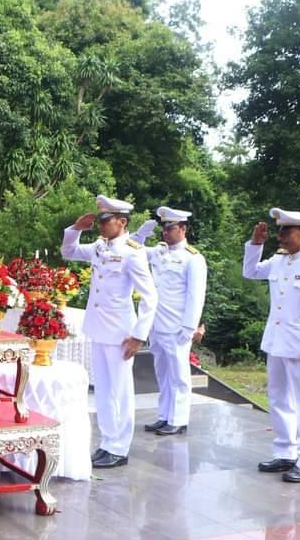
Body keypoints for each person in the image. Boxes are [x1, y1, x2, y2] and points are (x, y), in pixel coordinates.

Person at [62, 195, 158, 468]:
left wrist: (139, 335)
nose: (101, 225)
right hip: (98, 328)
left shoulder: (132, 251)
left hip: (121, 332)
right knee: (103, 389)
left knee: (120, 390)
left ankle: (119, 447)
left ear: (122, 222)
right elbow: (68, 252)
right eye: (100, 220)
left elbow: (150, 296)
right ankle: (107, 442)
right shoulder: (98, 247)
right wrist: (76, 229)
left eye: (106, 220)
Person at [242, 208, 300, 483]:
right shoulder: (279, 260)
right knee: (278, 398)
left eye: (287, 231)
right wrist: (256, 244)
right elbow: (250, 272)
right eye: (280, 231)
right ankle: (285, 452)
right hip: (277, 342)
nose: (281, 236)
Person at [133, 206, 207, 436]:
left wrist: (189, 326)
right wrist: (142, 234)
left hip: (177, 326)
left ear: (183, 229)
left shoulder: (193, 258)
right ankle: (164, 416)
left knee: (179, 375)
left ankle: (179, 419)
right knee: (162, 373)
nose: (165, 232)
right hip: (156, 323)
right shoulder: (158, 252)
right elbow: (133, 249)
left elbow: (196, 295)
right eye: (164, 227)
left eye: (170, 227)